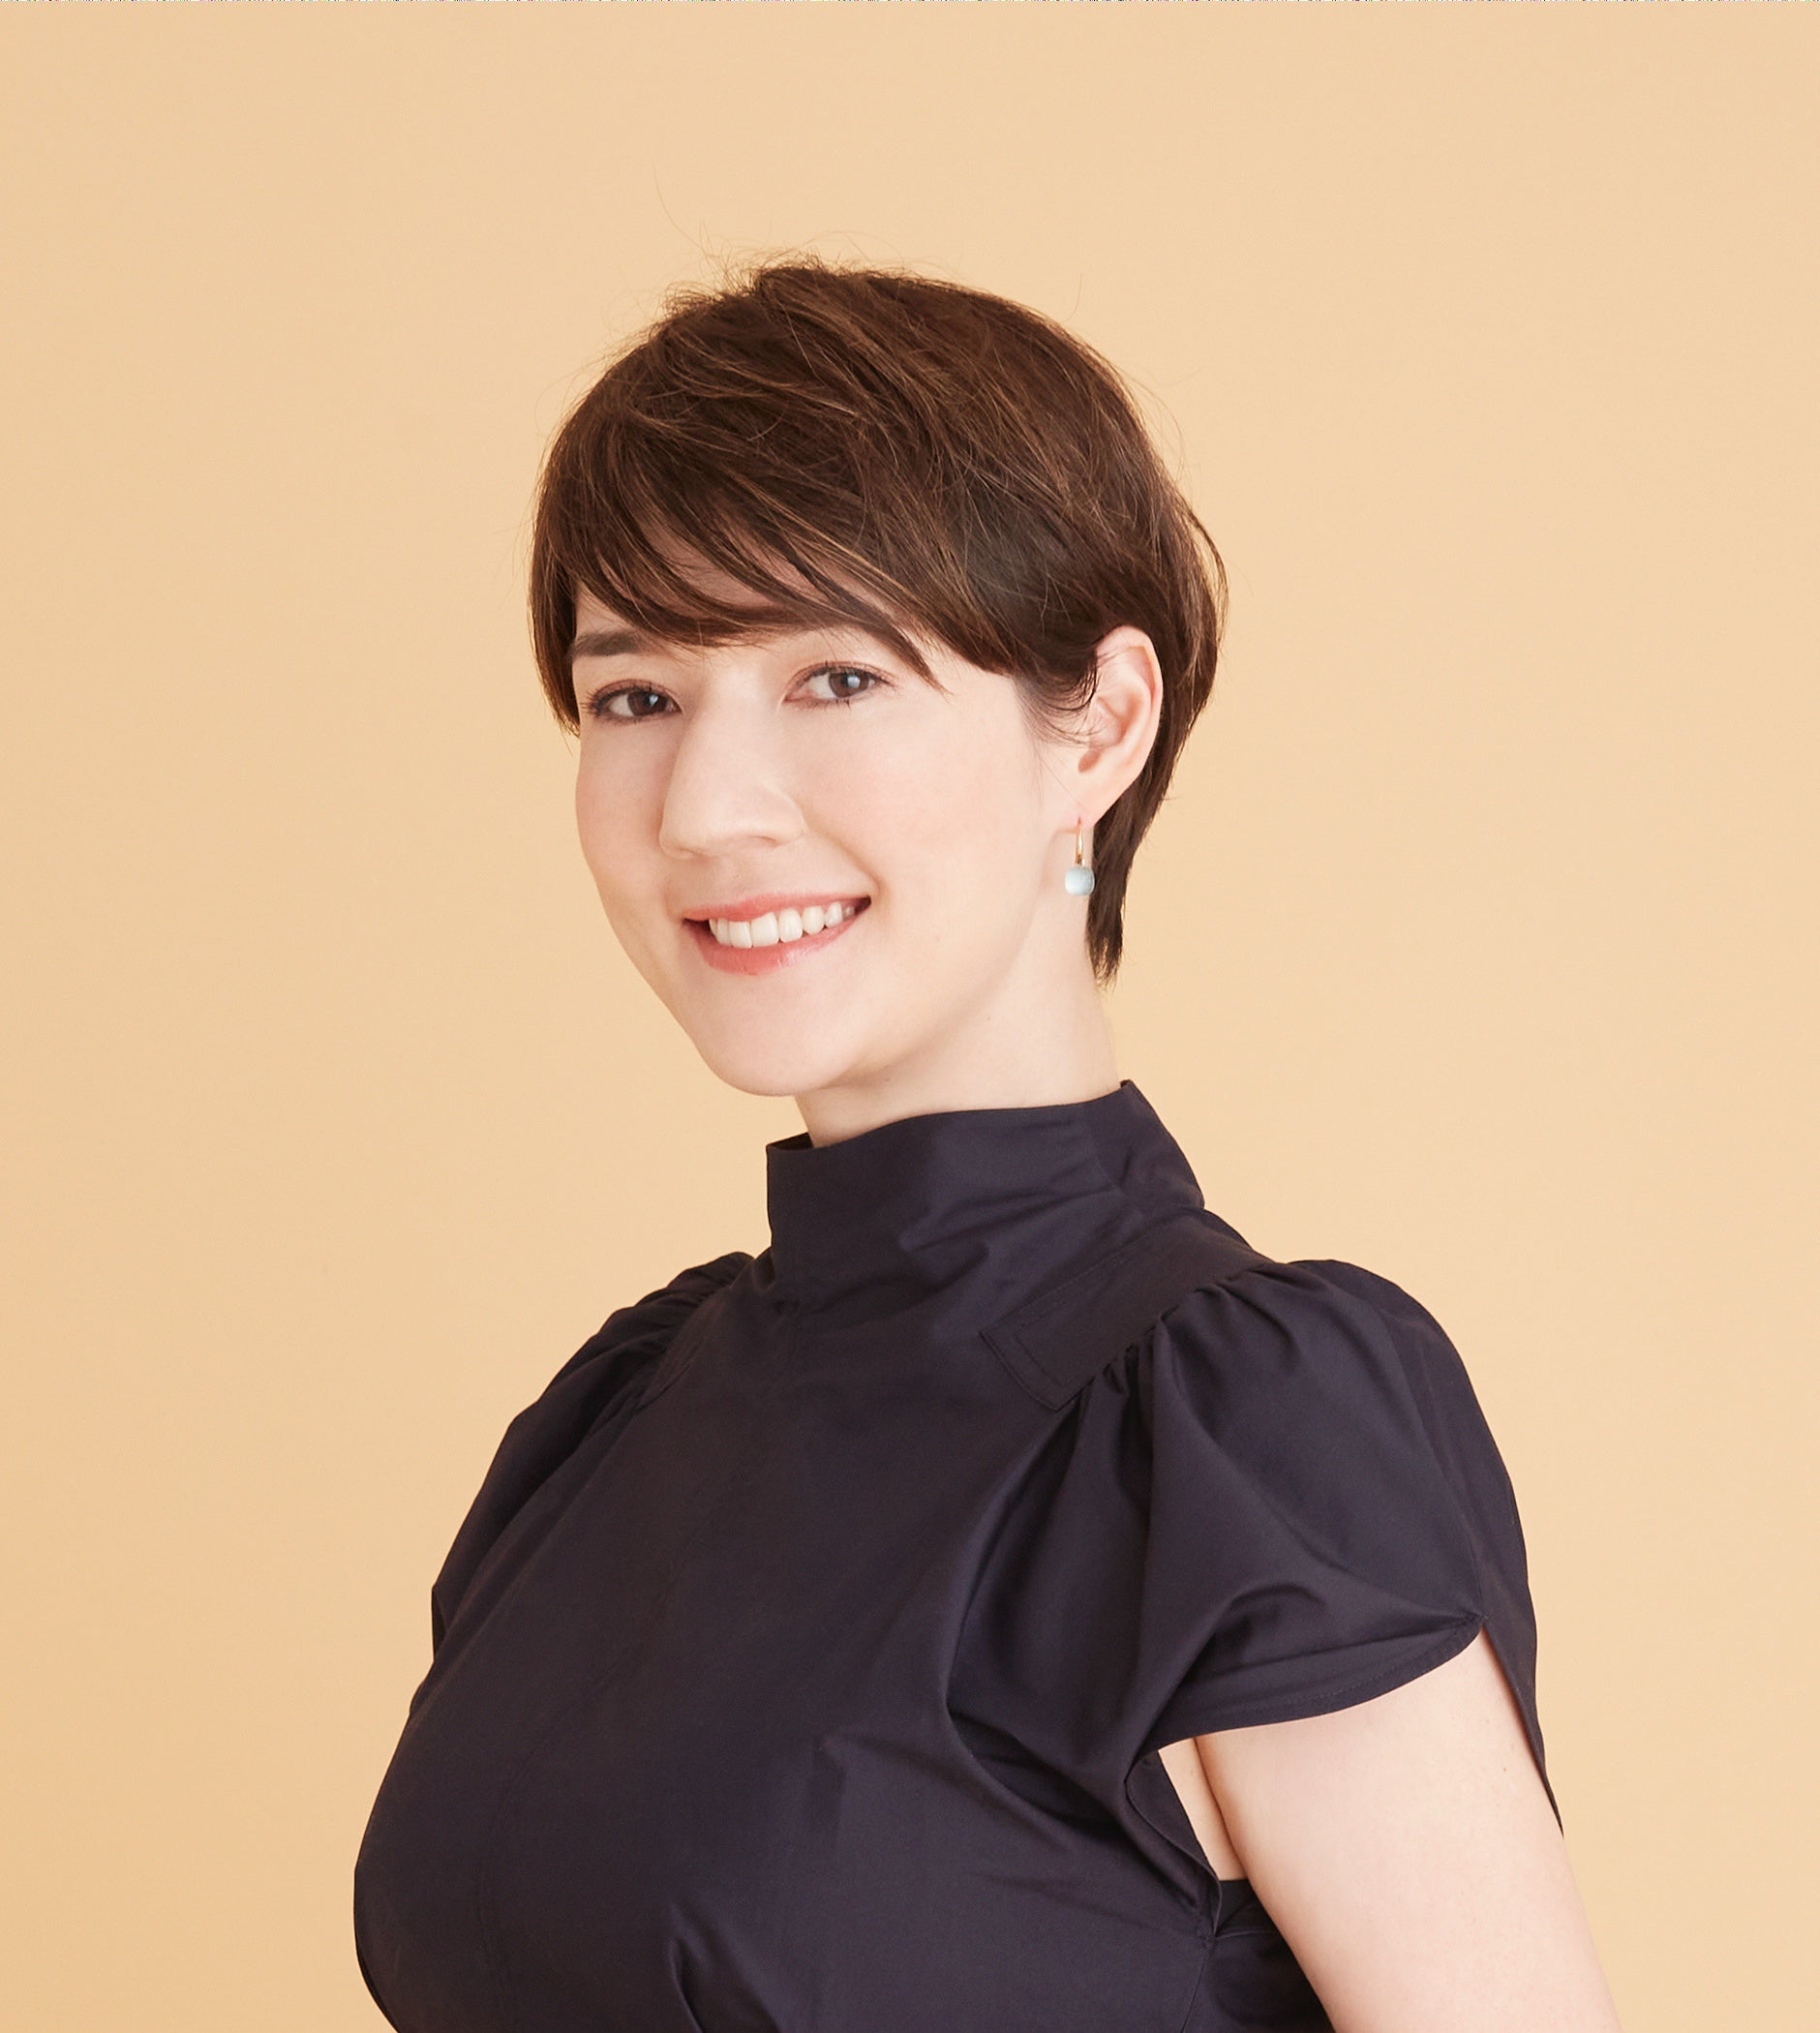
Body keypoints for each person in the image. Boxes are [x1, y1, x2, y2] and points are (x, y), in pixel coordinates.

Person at [353, 259, 1623, 2033]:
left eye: (836, 676)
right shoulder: (616, 1421)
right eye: (636, 696)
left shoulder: (1244, 1432)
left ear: (1099, 724)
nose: (707, 808)